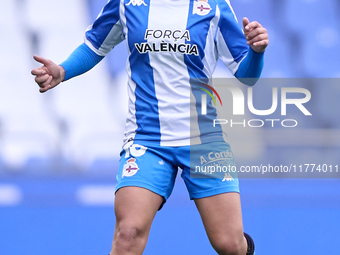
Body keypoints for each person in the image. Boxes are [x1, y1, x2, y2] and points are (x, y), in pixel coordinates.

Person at [31, 0, 269, 254]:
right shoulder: (127, 4)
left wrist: (256, 52)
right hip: (147, 139)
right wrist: (63, 71)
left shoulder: (214, 6)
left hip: (203, 139)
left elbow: (247, 75)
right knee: (128, 234)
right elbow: (94, 46)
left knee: (230, 245)